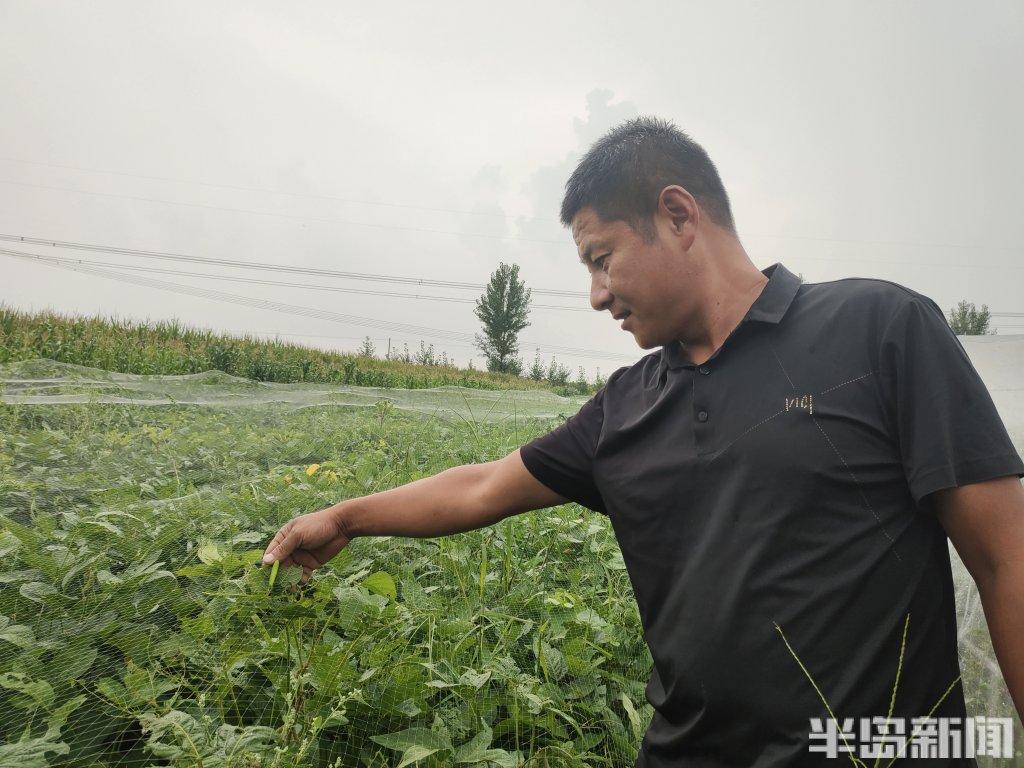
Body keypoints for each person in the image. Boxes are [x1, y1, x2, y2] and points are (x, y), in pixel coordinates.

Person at [262, 117, 1024, 766]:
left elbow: (1006, 558)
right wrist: (347, 516)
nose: (596, 294)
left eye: (602, 258)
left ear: (679, 215)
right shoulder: (625, 409)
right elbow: (486, 485)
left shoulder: (879, 331)